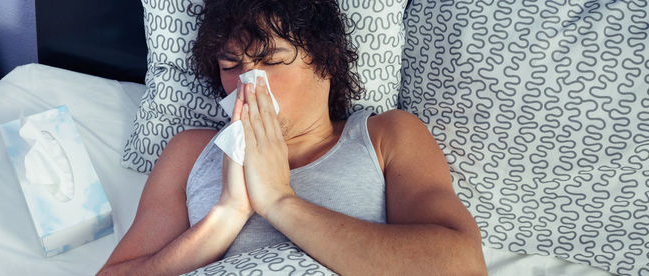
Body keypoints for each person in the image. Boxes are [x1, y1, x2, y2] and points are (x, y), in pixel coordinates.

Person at [98, 0, 486, 274]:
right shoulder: (190, 151)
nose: (249, 82)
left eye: (272, 61)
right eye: (231, 65)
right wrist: (226, 215)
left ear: (326, 63)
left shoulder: (387, 135)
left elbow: (462, 266)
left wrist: (279, 201)